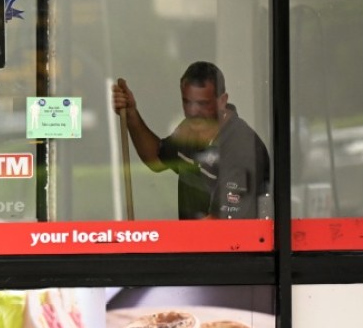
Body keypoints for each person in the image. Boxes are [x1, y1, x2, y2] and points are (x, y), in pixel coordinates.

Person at [112, 61, 270, 219]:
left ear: (222, 101)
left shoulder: (242, 147)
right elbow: (156, 159)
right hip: (193, 241)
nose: (193, 111)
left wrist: (163, 240)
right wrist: (131, 114)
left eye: (202, 104)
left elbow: (220, 227)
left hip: (230, 242)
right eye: (187, 102)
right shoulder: (190, 129)